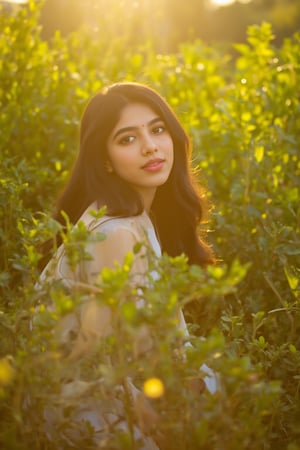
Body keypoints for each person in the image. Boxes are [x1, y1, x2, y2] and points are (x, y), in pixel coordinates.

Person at [37, 82, 218, 448]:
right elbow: (143, 362)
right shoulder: (115, 233)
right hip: (93, 417)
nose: (150, 146)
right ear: (104, 159)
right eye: (127, 139)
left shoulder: (128, 216)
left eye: (157, 129)